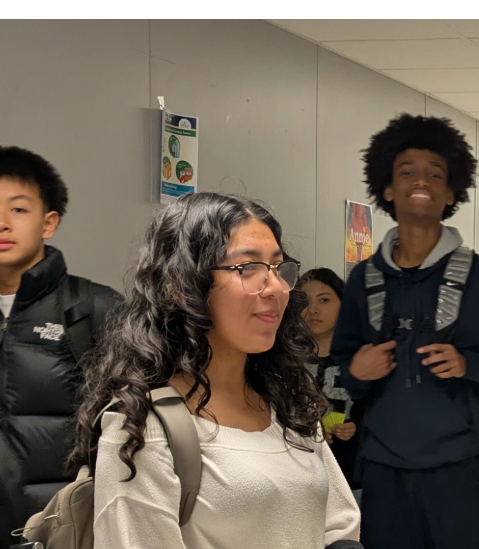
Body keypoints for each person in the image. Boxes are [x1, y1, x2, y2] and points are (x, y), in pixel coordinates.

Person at [71, 192, 361, 549]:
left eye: (278, 267)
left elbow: (339, 525)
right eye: (247, 268)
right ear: (182, 285)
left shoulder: (290, 404)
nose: (275, 287)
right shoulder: (144, 426)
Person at [331, 114, 479, 549]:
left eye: (435, 174)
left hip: (462, 470)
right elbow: (343, 370)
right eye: (407, 172)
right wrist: (357, 368)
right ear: (388, 189)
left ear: (451, 193)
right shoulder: (364, 280)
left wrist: (471, 364)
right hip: (383, 471)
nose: (422, 181)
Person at [0, 146, 118, 547]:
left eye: (18, 210)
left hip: (57, 530)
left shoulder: (93, 308)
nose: (2, 223)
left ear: (48, 223)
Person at [298, 268, 362, 501]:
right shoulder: (285, 359)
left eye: (324, 300)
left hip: (352, 478)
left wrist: (357, 427)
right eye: (305, 301)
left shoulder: (360, 357)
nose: (313, 310)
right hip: (301, 477)